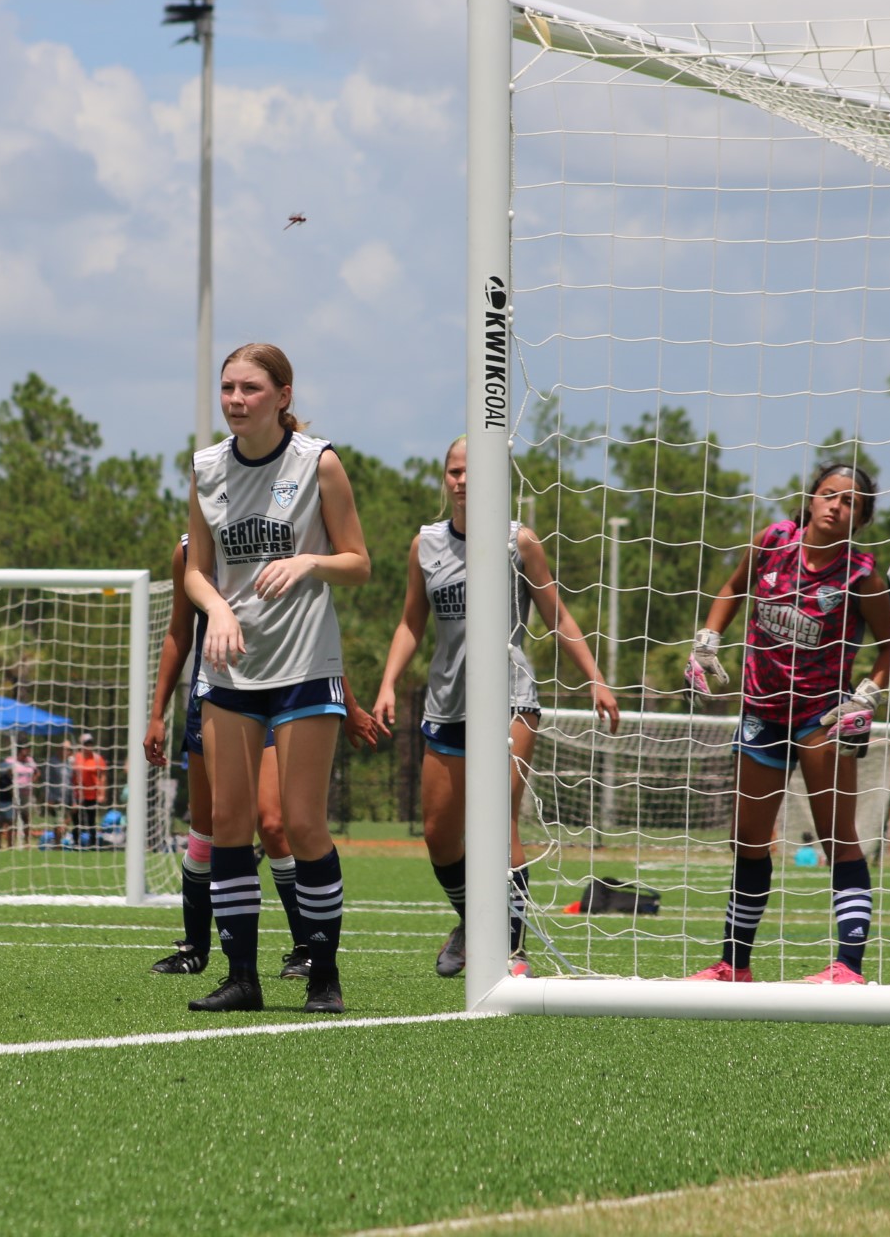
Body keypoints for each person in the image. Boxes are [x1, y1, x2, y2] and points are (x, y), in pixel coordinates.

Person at [373, 435, 619, 981]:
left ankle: (511, 950)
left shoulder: (519, 542)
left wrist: (596, 679)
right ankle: (472, 921)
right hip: (447, 704)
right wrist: (388, 683)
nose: (463, 481)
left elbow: (558, 616)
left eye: (473, 471)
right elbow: (411, 622)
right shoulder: (425, 545)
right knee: (439, 835)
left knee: (499, 818)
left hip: (512, 700)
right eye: (454, 471)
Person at [184, 342, 371, 1014]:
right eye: (228, 388)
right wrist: (215, 609)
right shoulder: (206, 467)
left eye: (251, 388)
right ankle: (242, 979)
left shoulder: (318, 462)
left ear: (283, 396)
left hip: (304, 668)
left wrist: (310, 563)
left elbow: (359, 562)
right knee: (229, 823)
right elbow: (195, 570)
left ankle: (323, 976)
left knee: (300, 824)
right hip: (231, 671)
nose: (236, 400)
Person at [684, 463, 890, 984]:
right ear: (812, 497)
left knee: (837, 837)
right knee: (747, 839)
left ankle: (848, 966)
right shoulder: (773, 541)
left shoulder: (861, 574)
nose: (836, 506)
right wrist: (708, 639)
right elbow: (732, 587)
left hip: (822, 718)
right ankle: (734, 964)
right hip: (761, 709)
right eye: (829, 494)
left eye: (850, 502)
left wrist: (867, 696)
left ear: (861, 518)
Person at [143, 534, 382, 980]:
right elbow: (179, 632)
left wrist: (348, 704)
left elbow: (315, 629)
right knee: (206, 830)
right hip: (216, 696)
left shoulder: (278, 535)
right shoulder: (188, 551)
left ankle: (306, 947)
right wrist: (157, 714)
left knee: (273, 823)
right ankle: (195, 948)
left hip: (279, 693)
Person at [68, 733, 107, 848]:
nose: (88, 746)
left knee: (91, 819)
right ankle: (76, 842)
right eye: (86, 744)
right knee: (76, 819)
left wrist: (102, 793)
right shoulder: (75, 758)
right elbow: (70, 775)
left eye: (90, 743)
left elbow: (102, 776)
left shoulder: (97, 759)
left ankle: (93, 843)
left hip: (91, 794)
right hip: (78, 794)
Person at [0, 745, 36, 849]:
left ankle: (27, 843)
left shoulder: (30, 761)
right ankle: (10, 844)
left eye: (28, 749)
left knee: (26, 817)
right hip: (12, 793)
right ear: (20, 750)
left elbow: (37, 772)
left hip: (25, 794)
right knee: (11, 819)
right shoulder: (10, 761)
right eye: (25, 749)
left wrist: (31, 782)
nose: (27, 751)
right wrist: (11, 783)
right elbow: (2, 774)